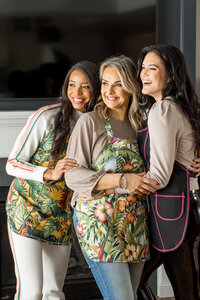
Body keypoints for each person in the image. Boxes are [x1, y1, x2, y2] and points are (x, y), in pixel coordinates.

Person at [65, 55, 159, 300]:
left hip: (135, 223)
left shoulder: (142, 123)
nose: (109, 91)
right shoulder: (90, 122)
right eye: (105, 83)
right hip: (99, 223)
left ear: (131, 86)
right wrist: (124, 181)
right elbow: (73, 176)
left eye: (117, 83)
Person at [5, 60, 100, 300]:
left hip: (62, 217)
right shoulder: (47, 116)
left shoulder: (97, 125)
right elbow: (12, 163)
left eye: (85, 86)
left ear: (96, 90)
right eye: (72, 85)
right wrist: (49, 173)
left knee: (53, 292)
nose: (76, 93)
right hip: (27, 210)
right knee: (32, 291)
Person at [136, 44, 200, 300]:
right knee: (188, 290)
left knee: (132, 282)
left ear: (171, 75)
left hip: (175, 212)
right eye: (142, 68)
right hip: (185, 207)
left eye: (153, 68)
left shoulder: (162, 110)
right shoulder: (180, 106)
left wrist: (114, 184)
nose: (144, 74)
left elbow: (160, 177)